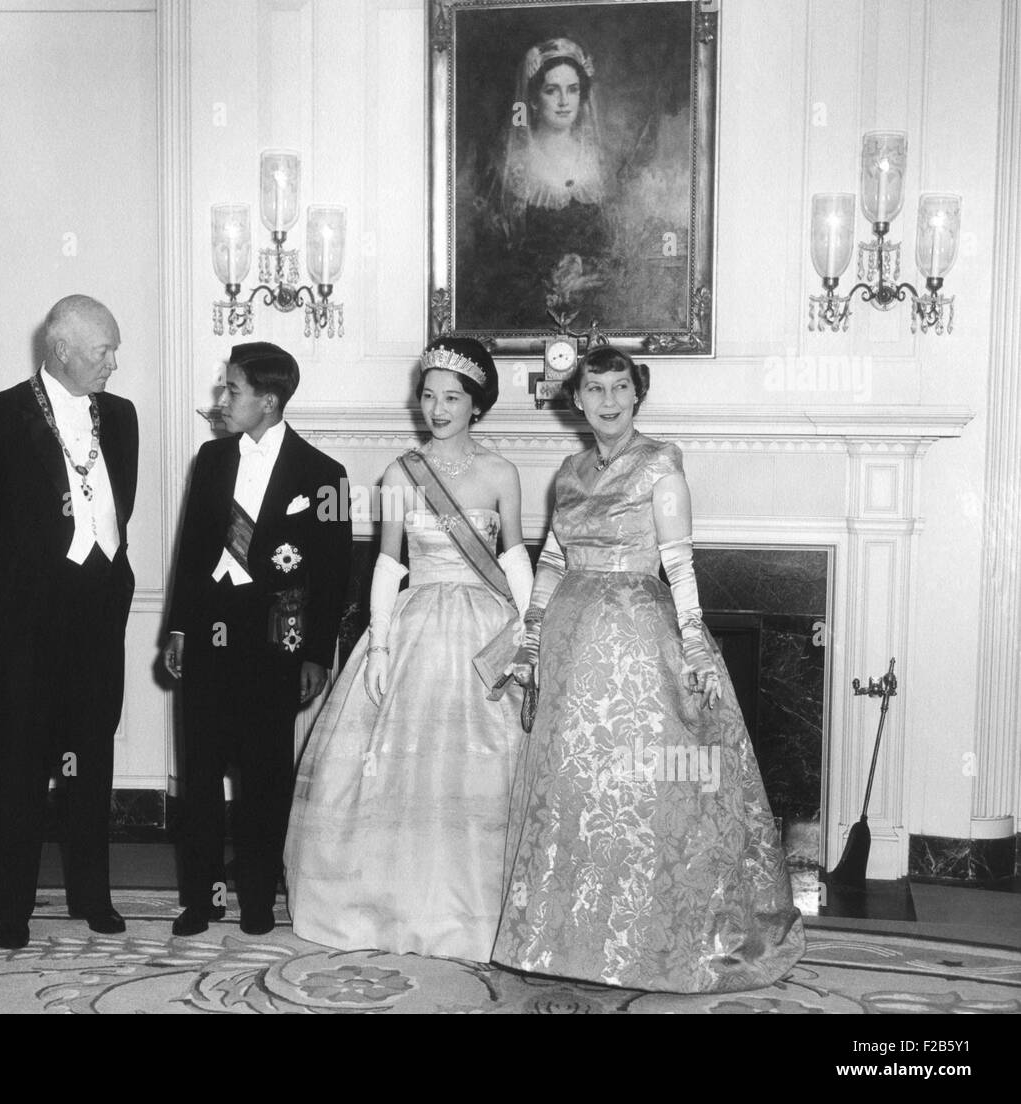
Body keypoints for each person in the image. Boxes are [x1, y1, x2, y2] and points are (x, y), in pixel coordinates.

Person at [492, 345, 805, 992]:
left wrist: (694, 648)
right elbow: (551, 557)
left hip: (636, 637)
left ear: (637, 395)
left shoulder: (661, 465)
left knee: (640, 786)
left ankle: (642, 940)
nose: (607, 400)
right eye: (594, 388)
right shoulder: (571, 471)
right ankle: (566, 941)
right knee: (577, 789)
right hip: (570, 645)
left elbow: (680, 564)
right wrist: (529, 635)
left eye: (619, 388)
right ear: (575, 399)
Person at [284, 336, 532, 960]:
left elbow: (515, 559)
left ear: (476, 404)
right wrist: (383, 643)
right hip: (415, 621)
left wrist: (527, 634)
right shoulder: (401, 471)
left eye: (452, 397)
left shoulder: (502, 471)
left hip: (484, 627)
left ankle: (482, 912)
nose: (438, 408)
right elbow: (389, 562)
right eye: (429, 395)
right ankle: (389, 905)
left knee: (482, 770)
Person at [0, 294, 137, 950]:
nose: (114, 361)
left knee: (90, 766)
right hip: (18, 640)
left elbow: (115, 514)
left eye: (113, 349)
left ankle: (92, 896)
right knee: (15, 774)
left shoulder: (124, 418)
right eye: (102, 350)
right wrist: (8, 602)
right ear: (61, 350)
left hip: (97, 629)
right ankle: (13, 910)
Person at [162, 342, 351, 938]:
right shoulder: (211, 459)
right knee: (200, 771)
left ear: (268, 402)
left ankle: (257, 899)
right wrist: (179, 627)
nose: (223, 399)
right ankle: (200, 896)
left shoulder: (326, 475)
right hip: (210, 634)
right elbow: (192, 551)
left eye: (233, 390)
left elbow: (335, 572)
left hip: (276, 640)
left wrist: (319, 653)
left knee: (265, 776)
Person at [469, 37, 615, 330]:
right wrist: (551, 280)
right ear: (533, 100)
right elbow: (495, 261)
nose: (564, 101)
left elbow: (614, 246)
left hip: (596, 312)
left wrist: (587, 270)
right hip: (529, 314)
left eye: (572, 90)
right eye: (552, 90)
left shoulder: (598, 163)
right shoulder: (513, 166)